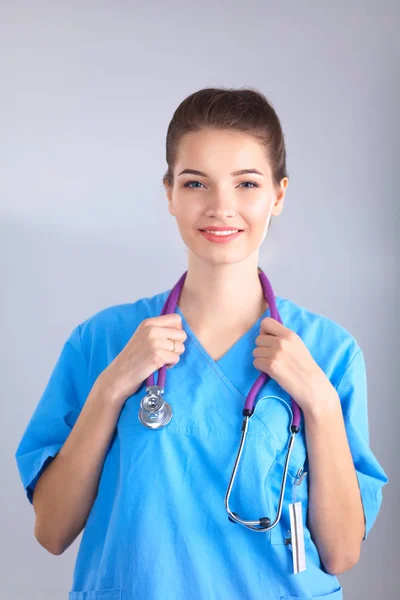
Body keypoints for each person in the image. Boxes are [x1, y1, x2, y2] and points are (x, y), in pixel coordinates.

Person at [15, 87, 388, 600]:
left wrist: (320, 404)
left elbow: (342, 552)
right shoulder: (101, 341)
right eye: (196, 183)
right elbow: (51, 531)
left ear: (278, 195)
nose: (221, 207)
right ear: (169, 191)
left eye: (247, 184)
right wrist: (110, 390)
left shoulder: (329, 352)